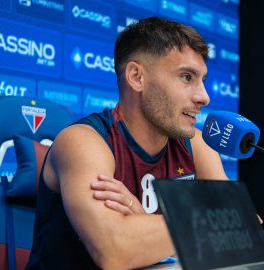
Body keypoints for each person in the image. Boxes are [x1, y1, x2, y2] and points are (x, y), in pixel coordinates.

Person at [26, 17, 228, 270]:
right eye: (187, 77)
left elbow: (239, 236)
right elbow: (115, 251)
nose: (204, 97)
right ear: (136, 77)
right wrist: (207, 221)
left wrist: (140, 214)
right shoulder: (83, 141)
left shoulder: (196, 144)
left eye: (203, 80)